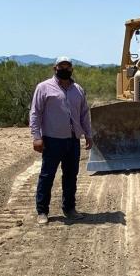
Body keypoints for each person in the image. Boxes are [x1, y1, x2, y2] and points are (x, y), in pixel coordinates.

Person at [29, 56, 93, 225]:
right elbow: (35, 113)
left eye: (68, 66)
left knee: (71, 176)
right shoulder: (43, 88)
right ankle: (42, 211)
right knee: (47, 175)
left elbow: (84, 113)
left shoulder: (77, 89)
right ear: (55, 68)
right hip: (52, 139)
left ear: (72, 69)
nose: (65, 69)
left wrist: (88, 134)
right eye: (61, 66)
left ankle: (69, 208)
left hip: (73, 140)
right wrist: (36, 137)